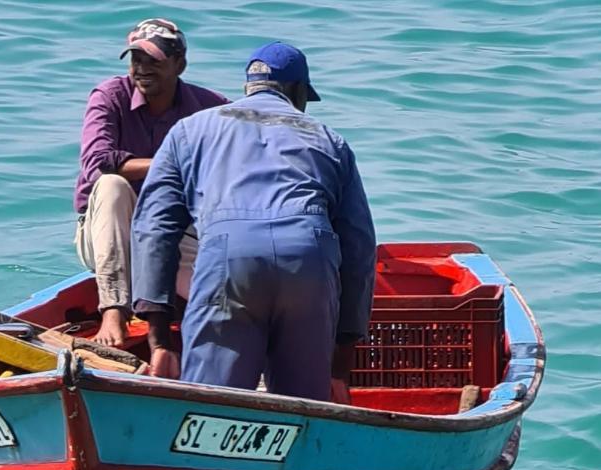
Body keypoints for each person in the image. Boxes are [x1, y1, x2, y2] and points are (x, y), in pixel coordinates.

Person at [130, 41, 376, 401]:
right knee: (303, 411)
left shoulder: (188, 131)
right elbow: (358, 248)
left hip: (229, 259)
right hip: (307, 257)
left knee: (211, 407)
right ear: (297, 92)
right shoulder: (329, 139)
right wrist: (339, 368)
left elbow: (154, 230)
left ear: (249, 88)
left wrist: (160, 342)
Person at [73, 18, 227, 347]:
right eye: (136, 60)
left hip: (175, 232)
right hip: (111, 232)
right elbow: (97, 163)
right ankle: (114, 309)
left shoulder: (209, 107)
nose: (142, 69)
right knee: (112, 185)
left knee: (224, 305)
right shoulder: (109, 96)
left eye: (153, 61)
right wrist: (170, 163)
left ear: (179, 65)